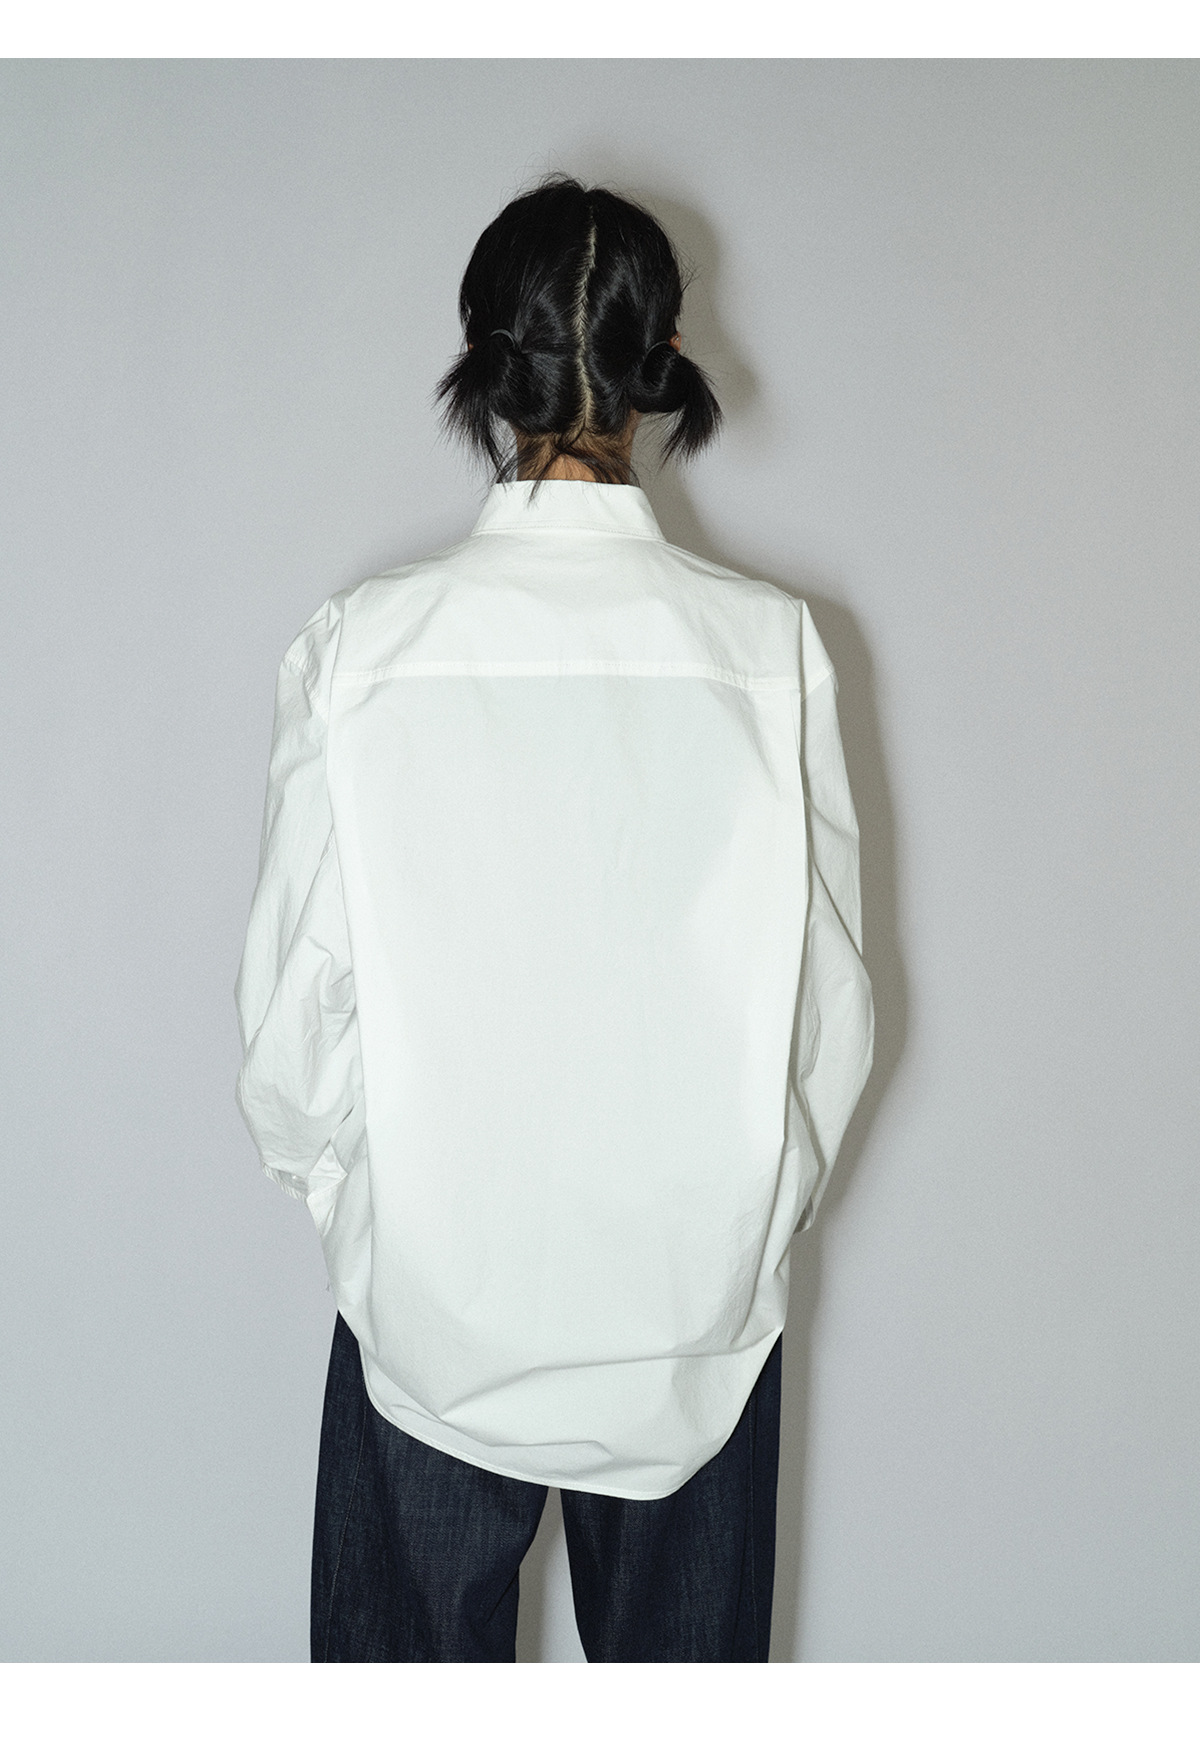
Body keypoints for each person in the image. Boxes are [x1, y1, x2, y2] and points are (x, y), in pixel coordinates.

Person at [234, 174, 874, 1663]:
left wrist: (372, 1217)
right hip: (697, 1324)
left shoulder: (362, 647)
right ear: (662, 365)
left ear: (481, 359)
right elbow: (830, 1021)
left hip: (425, 1318)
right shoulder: (769, 653)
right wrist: (744, 1227)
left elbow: (291, 1023)